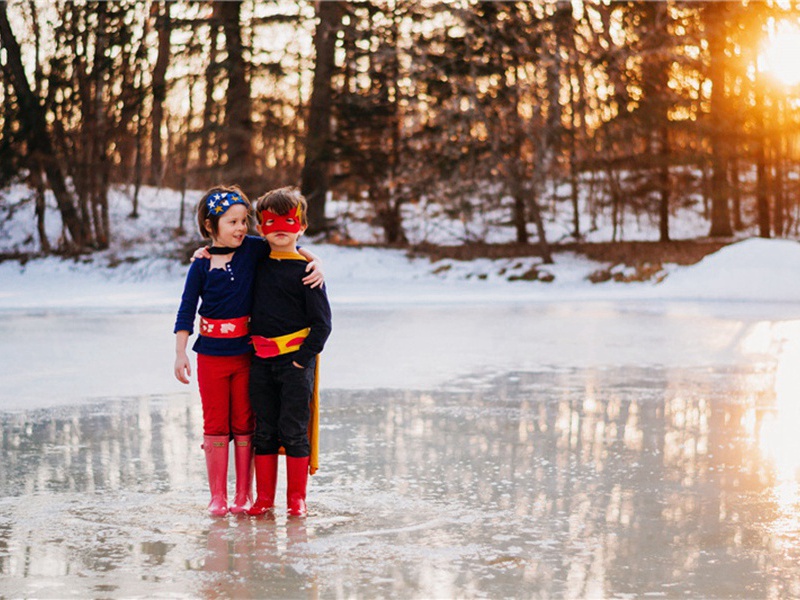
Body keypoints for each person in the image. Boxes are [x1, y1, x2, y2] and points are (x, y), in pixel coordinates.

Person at [173, 185, 323, 517]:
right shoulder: (200, 264)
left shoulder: (252, 250)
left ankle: (244, 493)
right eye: (233, 222)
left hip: (245, 353)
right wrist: (180, 351)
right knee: (215, 422)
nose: (241, 228)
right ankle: (217, 496)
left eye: (244, 221)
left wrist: (316, 259)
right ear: (211, 226)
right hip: (210, 354)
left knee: (245, 422)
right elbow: (186, 309)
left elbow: (288, 243)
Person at [246, 186, 332, 518]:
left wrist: (301, 358)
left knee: (294, 428)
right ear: (259, 227)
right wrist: (202, 254)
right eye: (270, 221)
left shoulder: (307, 272)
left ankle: (297, 499)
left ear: (302, 226)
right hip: (260, 361)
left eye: (288, 220)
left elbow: (323, 324)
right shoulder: (256, 261)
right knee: (264, 429)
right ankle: (264, 498)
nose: (279, 227)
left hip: (296, 362)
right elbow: (225, 246)